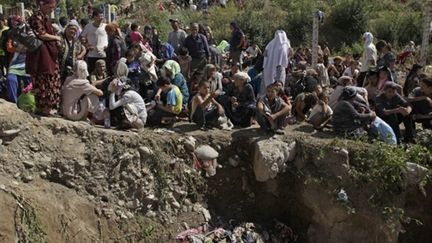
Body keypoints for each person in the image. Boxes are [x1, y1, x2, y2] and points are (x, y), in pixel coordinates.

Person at [26, 0, 62, 116]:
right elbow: (41, 34)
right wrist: (56, 38)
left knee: (52, 80)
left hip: (49, 54)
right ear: (44, 5)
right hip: (41, 55)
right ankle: (43, 109)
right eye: (51, 7)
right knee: (44, 81)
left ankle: (48, 109)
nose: (52, 10)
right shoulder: (36, 17)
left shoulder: (45, 18)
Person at [81, 8, 108, 74]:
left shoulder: (106, 26)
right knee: (92, 73)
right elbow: (81, 37)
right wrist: (87, 45)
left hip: (103, 55)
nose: (101, 18)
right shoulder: (88, 26)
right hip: (92, 55)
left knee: (103, 73)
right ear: (95, 17)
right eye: (99, 16)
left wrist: (107, 47)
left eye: (102, 16)